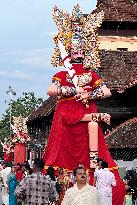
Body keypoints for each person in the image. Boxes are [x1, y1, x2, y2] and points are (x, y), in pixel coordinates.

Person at [43, 4, 125, 205]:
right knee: (62, 158)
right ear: (68, 50)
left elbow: (106, 91)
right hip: (67, 117)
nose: (78, 51)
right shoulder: (63, 75)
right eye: (74, 48)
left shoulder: (91, 74)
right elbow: (51, 90)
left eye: (82, 48)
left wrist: (88, 94)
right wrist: (72, 90)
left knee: (93, 134)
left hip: (87, 112)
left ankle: (93, 172)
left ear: (87, 49)